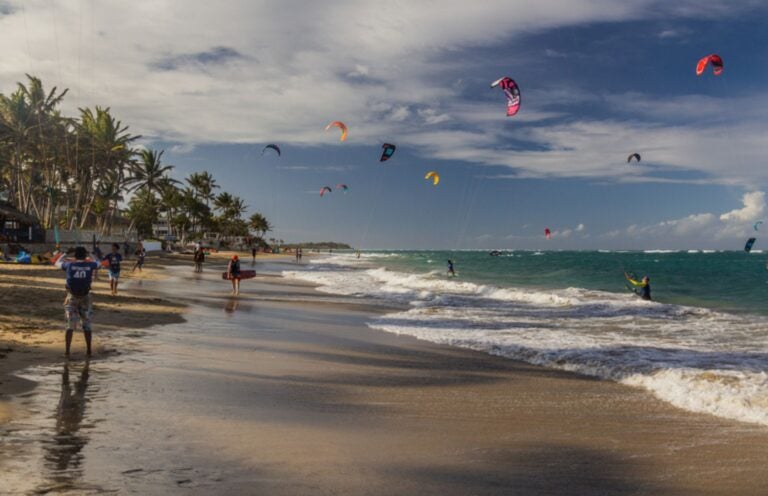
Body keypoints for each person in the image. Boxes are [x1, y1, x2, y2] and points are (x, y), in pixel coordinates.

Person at [57, 246, 99, 356]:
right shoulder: (90, 265)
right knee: (87, 325)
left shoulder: (70, 265)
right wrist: (91, 254)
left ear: (74, 256)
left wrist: (66, 253)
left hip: (72, 297)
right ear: (85, 256)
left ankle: (67, 351)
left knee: (69, 326)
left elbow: (57, 262)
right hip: (85, 297)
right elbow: (98, 262)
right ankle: (89, 350)